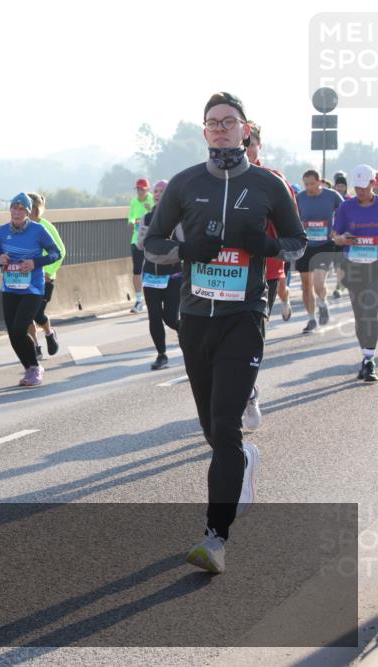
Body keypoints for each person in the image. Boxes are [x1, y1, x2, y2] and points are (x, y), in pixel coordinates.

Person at [145, 92, 306, 574]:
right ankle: (242, 463)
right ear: (204, 132)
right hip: (195, 318)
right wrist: (184, 250)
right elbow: (150, 243)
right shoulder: (184, 183)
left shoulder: (267, 184)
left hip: (244, 315)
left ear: (245, 129)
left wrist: (268, 245)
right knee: (213, 432)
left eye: (228, 122)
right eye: (212, 123)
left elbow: (297, 243)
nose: (220, 129)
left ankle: (215, 538)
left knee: (226, 426)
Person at [240, 120, 298, 431]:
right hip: (218, 275)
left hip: (265, 273)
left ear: (258, 147)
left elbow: (293, 236)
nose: (245, 150)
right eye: (241, 143)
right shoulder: (210, 179)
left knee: (250, 339)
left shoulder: (273, 181)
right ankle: (236, 393)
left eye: (250, 144)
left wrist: (264, 245)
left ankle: (248, 392)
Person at [0, 193, 62, 387]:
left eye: (22, 209)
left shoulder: (38, 230)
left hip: (33, 288)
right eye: (14, 207)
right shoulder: (2, 232)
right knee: (13, 332)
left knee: (21, 328)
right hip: (10, 288)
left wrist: (35, 262)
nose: (17, 212)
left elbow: (56, 253)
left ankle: (36, 367)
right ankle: (29, 368)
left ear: (28, 212)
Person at [332, 164, 378, 382]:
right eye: (356, 186)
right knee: (361, 315)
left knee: (371, 311)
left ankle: (369, 360)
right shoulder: (346, 207)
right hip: (354, 266)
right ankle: (367, 356)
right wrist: (341, 239)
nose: (360, 191)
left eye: (364, 186)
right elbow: (335, 234)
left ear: (373, 183)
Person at [136, 180, 181, 370]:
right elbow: (140, 246)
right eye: (155, 191)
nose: (157, 194)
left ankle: (187, 333)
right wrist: (143, 234)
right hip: (151, 276)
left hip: (173, 275)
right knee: (154, 316)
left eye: (162, 191)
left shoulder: (178, 218)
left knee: (170, 318)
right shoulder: (146, 218)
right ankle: (161, 355)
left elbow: (184, 244)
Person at [295, 169, 343, 333]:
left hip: (325, 245)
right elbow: (293, 217)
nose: (309, 188)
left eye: (312, 184)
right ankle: (311, 319)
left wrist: (337, 230)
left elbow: (344, 212)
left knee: (318, 283)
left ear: (319, 182)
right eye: (306, 184)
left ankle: (322, 303)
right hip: (306, 245)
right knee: (306, 284)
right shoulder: (300, 197)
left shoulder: (332, 195)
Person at [27, 192, 65, 359]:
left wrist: (49, 271)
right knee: (26, 314)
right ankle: (35, 346)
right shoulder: (19, 228)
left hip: (45, 278)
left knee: (37, 313)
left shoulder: (46, 227)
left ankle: (49, 332)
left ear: (34, 209)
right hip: (25, 278)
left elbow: (61, 251)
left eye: (25, 207)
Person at [128, 178, 154, 313]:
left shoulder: (152, 199)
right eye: (137, 189)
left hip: (151, 240)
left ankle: (154, 299)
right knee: (137, 270)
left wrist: (152, 209)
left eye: (142, 189)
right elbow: (131, 217)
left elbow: (159, 214)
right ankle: (138, 301)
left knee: (151, 269)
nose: (139, 192)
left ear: (147, 190)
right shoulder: (133, 202)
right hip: (136, 240)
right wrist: (132, 222)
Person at [332, 171, 350, 299]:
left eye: (342, 186)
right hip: (335, 235)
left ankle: (340, 287)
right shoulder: (331, 198)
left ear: (346, 187)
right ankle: (341, 284)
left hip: (347, 235)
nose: (340, 188)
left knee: (344, 263)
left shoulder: (350, 200)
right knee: (337, 264)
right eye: (338, 185)